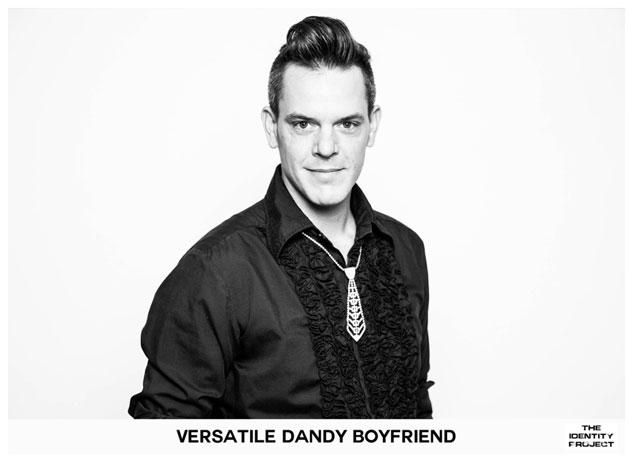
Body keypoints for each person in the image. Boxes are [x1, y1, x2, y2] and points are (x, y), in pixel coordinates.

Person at [128, 15, 433, 419]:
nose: (327, 147)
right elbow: (159, 439)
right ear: (272, 128)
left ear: (372, 127)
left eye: (347, 124)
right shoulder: (215, 271)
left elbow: (418, 413)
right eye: (303, 124)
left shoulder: (406, 249)